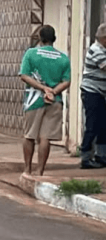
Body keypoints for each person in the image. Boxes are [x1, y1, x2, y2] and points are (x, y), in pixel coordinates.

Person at [18, 25, 71, 176]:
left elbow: (24, 75)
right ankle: (40, 171)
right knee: (45, 138)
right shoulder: (63, 58)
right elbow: (67, 81)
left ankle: (27, 170)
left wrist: (42, 88)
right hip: (55, 101)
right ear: (54, 39)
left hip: (34, 100)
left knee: (29, 135)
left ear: (40, 38)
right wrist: (52, 91)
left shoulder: (31, 53)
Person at [80, 23, 106, 169]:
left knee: (102, 125)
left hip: (100, 92)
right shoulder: (96, 50)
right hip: (91, 92)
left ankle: (101, 155)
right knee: (92, 125)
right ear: (104, 38)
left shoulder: (103, 49)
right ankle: (85, 157)